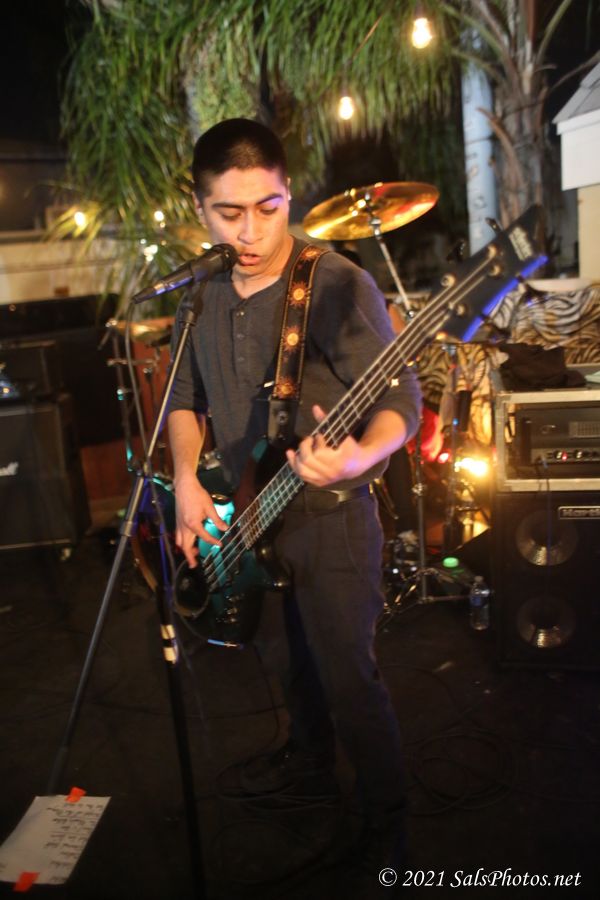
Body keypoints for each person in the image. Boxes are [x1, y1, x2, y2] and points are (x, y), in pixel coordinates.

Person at [166, 118, 422, 879]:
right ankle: (310, 764)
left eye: (269, 208)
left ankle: (386, 825)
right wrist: (187, 482)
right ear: (199, 206)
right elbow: (183, 398)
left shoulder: (337, 282)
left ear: (289, 195)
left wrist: (361, 453)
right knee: (285, 661)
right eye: (229, 213)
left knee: (349, 676)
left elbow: (399, 400)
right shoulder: (199, 291)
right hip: (248, 511)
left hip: (330, 516)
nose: (251, 232)